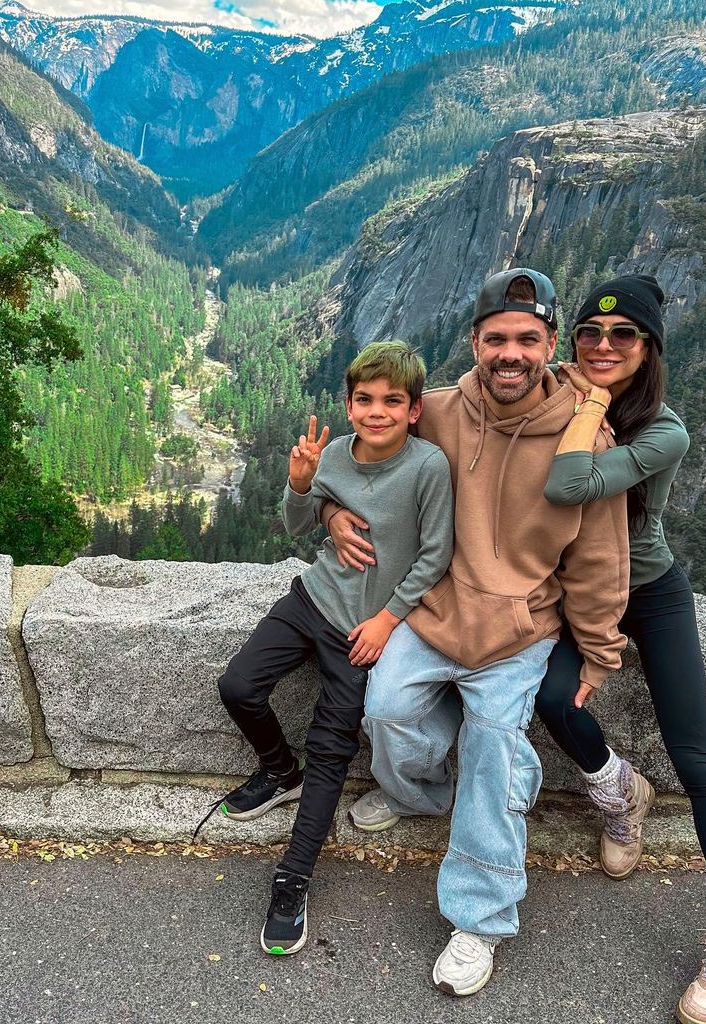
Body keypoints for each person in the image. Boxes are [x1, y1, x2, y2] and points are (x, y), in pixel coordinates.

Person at [325, 269, 631, 996]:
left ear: (551, 344)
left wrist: (599, 651)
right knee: (388, 711)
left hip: (519, 633)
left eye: (528, 338)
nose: (511, 353)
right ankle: (420, 796)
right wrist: (329, 513)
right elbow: (356, 456)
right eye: (497, 338)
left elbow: (598, 554)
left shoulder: (585, 438)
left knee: (494, 751)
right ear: (475, 342)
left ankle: (480, 917)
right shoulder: (436, 411)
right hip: (432, 611)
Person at [537, 274, 706, 1024]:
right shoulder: (550, 392)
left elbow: (571, 482)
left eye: (622, 335)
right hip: (575, 587)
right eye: (590, 334)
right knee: (551, 699)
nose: (603, 346)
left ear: (648, 348)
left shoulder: (664, 429)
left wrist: (592, 402)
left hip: (650, 589)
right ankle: (618, 791)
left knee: (695, 755)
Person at [212, 341, 454, 956]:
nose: (377, 412)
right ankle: (276, 770)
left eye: (391, 401)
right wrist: (302, 487)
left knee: (331, 750)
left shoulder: (428, 468)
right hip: (311, 599)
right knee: (237, 686)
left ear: (414, 409)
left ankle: (292, 881)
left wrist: (386, 621)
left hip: (363, 631)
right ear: (348, 405)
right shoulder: (337, 455)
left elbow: (435, 555)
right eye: (365, 400)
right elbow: (295, 525)